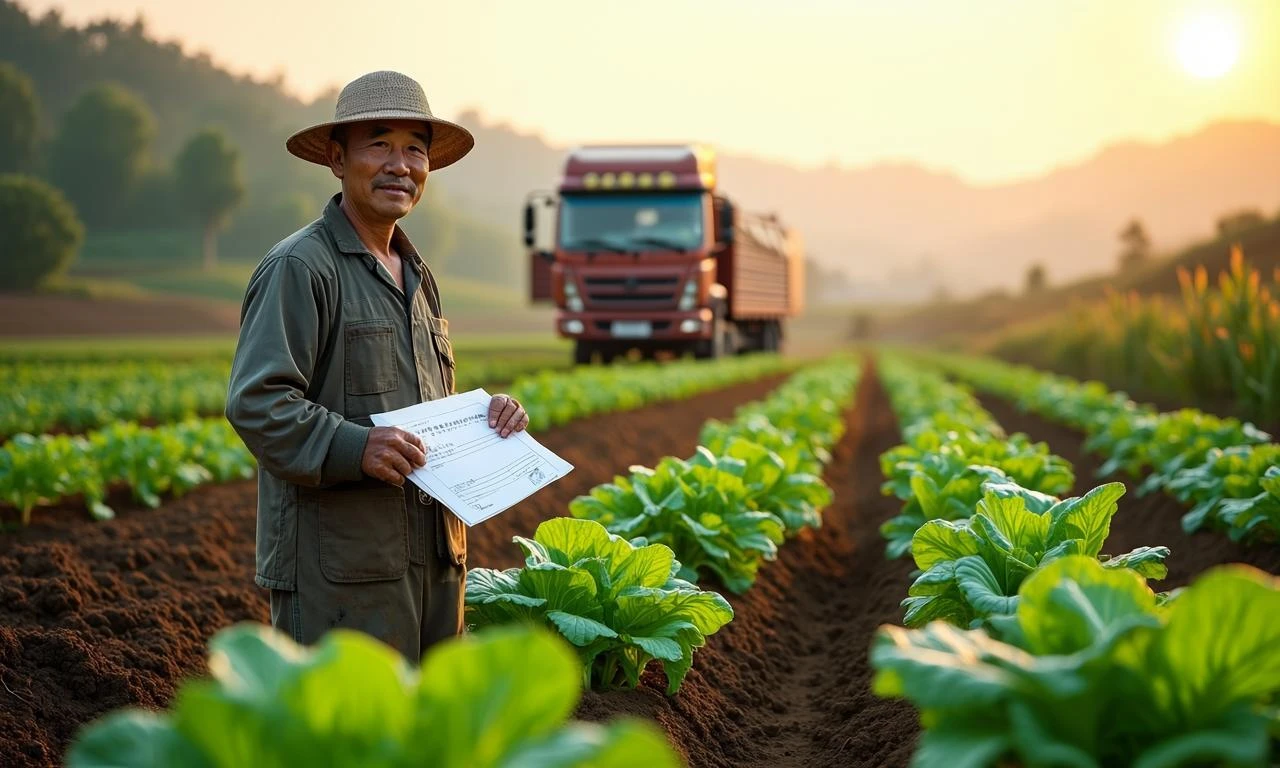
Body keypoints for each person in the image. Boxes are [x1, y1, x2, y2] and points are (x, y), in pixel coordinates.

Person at [225, 70, 529, 661]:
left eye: (415, 148)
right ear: (337, 160)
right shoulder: (300, 267)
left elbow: (426, 410)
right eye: (379, 144)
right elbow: (258, 404)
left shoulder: (418, 275)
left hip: (437, 563)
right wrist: (353, 446)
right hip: (342, 575)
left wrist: (487, 419)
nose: (401, 164)